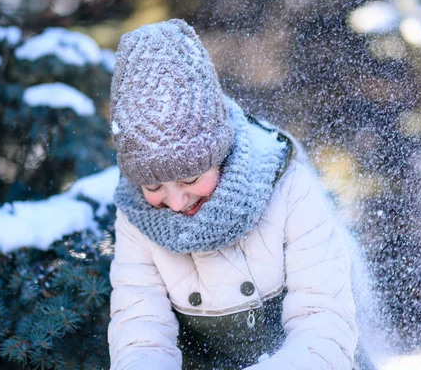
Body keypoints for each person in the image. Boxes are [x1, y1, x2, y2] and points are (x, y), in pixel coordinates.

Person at [107, 19, 358, 370]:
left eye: (192, 178)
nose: (176, 202)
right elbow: (140, 331)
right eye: (153, 186)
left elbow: (323, 322)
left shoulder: (286, 187)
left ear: (221, 154)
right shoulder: (136, 214)